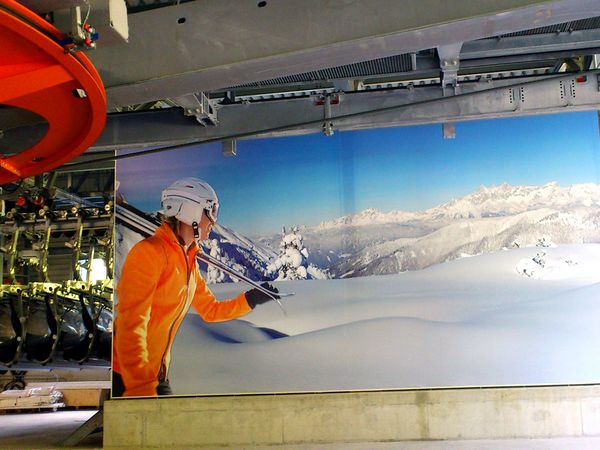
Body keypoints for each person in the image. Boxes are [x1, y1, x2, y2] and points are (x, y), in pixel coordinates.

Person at [112, 178, 278, 397]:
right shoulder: (149, 253)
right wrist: (140, 385)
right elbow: (130, 325)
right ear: (189, 211)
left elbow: (210, 310)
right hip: (130, 377)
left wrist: (251, 299)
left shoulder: (188, 261)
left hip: (156, 375)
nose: (213, 221)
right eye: (210, 211)